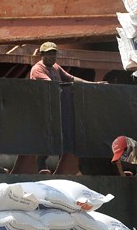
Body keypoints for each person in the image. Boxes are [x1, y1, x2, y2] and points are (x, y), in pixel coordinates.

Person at [29, 41, 105, 172]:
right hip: (44, 111)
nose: (52, 57)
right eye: (49, 54)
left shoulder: (55, 67)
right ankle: (41, 169)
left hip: (57, 109)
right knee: (47, 140)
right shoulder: (38, 69)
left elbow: (70, 78)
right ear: (42, 55)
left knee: (60, 138)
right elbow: (52, 85)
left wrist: (93, 84)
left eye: (54, 53)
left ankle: (58, 169)